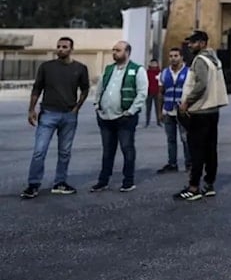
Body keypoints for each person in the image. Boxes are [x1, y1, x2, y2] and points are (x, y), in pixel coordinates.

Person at [20, 37, 90, 199]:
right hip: (48, 114)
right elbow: (37, 88)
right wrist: (31, 109)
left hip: (69, 116)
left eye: (64, 47)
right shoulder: (46, 67)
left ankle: (60, 183)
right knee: (39, 151)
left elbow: (85, 89)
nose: (60, 49)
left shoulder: (80, 68)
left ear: (71, 49)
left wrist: (77, 107)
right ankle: (33, 184)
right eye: (58, 46)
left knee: (65, 152)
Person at [175, 30, 228, 202]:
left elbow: (201, 85)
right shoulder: (214, 60)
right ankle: (209, 185)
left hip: (199, 112)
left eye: (193, 42)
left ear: (203, 43)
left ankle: (193, 188)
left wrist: (187, 102)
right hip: (212, 111)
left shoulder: (200, 60)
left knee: (196, 151)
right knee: (210, 150)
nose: (189, 45)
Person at [91, 41, 148, 192]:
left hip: (125, 118)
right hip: (105, 118)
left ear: (127, 52)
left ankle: (128, 181)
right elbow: (100, 88)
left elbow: (142, 93)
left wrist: (130, 111)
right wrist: (97, 105)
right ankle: (103, 181)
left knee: (127, 149)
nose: (114, 52)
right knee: (107, 151)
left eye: (118, 50)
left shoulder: (137, 70)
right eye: (113, 50)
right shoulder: (109, 69)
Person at [156, 47, 191, 173]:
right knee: (171, 139)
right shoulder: (164, 73)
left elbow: (192, 91)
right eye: (171, 56)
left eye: (176, 56)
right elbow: (160, 93)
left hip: (183, 111)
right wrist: (159, 112)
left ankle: (189, 163)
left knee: (185, 138)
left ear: (181, 57)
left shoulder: (189, 72)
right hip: (168, 110)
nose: (173, 58)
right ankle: (172, 163)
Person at [145, 58, 161, 127]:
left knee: (158, 108)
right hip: (149, 92)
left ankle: (159, 121)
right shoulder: (147, 72)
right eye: (152, 63)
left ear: (157, 64)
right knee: (148, 108)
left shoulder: (160, 72)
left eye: (155, 63)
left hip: (157, 92)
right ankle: (147, 122)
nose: (154, 65)